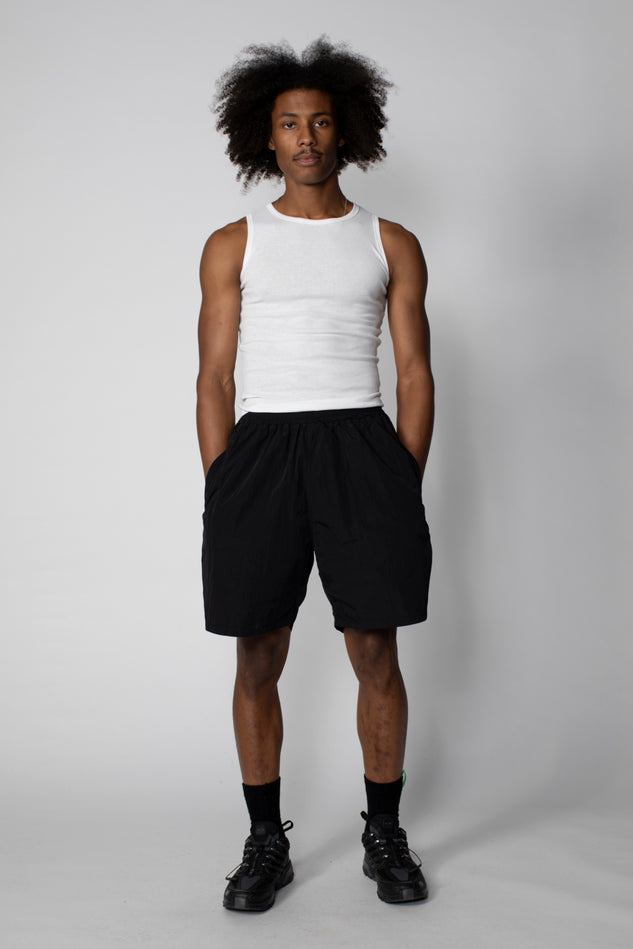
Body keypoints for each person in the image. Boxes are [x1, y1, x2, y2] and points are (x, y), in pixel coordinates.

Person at [196, 36, 434, 911]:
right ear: (266, 136)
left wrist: (398, 476)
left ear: (346, 131)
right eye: (290, 124)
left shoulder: (388, 240)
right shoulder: (233, 243)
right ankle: (266, 841)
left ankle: (385, 832)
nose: (306, 137)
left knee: (373, 645)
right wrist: (224, 481)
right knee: (258, 649)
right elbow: (212, 378)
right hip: (262, 448)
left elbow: (414, 372)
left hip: (360, 441)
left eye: (321, 122)